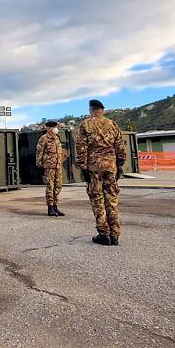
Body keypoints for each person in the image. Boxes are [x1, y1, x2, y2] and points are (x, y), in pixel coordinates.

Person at [76, 99, 126, 246]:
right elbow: (120, 147)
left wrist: (83, 167)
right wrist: (120, 165)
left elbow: (81, 148)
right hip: (111, 167)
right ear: (102, 110)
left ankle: (103, 234)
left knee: (97, 199)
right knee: (112, 199)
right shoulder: (112, 124)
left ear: (91, 110)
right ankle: (115, 234)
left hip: (94, 168)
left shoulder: (86, 124)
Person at [36, 121, 66, 216]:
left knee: (58, 186)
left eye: (55, 127)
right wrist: (39, 163)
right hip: (49, 167)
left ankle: (55, 206)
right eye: (53, 127)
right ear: (48, 128)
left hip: (58, 166)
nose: (55, 128)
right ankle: (50, 208)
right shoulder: (44, 138)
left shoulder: (57, 138)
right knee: (50, 186)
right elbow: (39, 151)